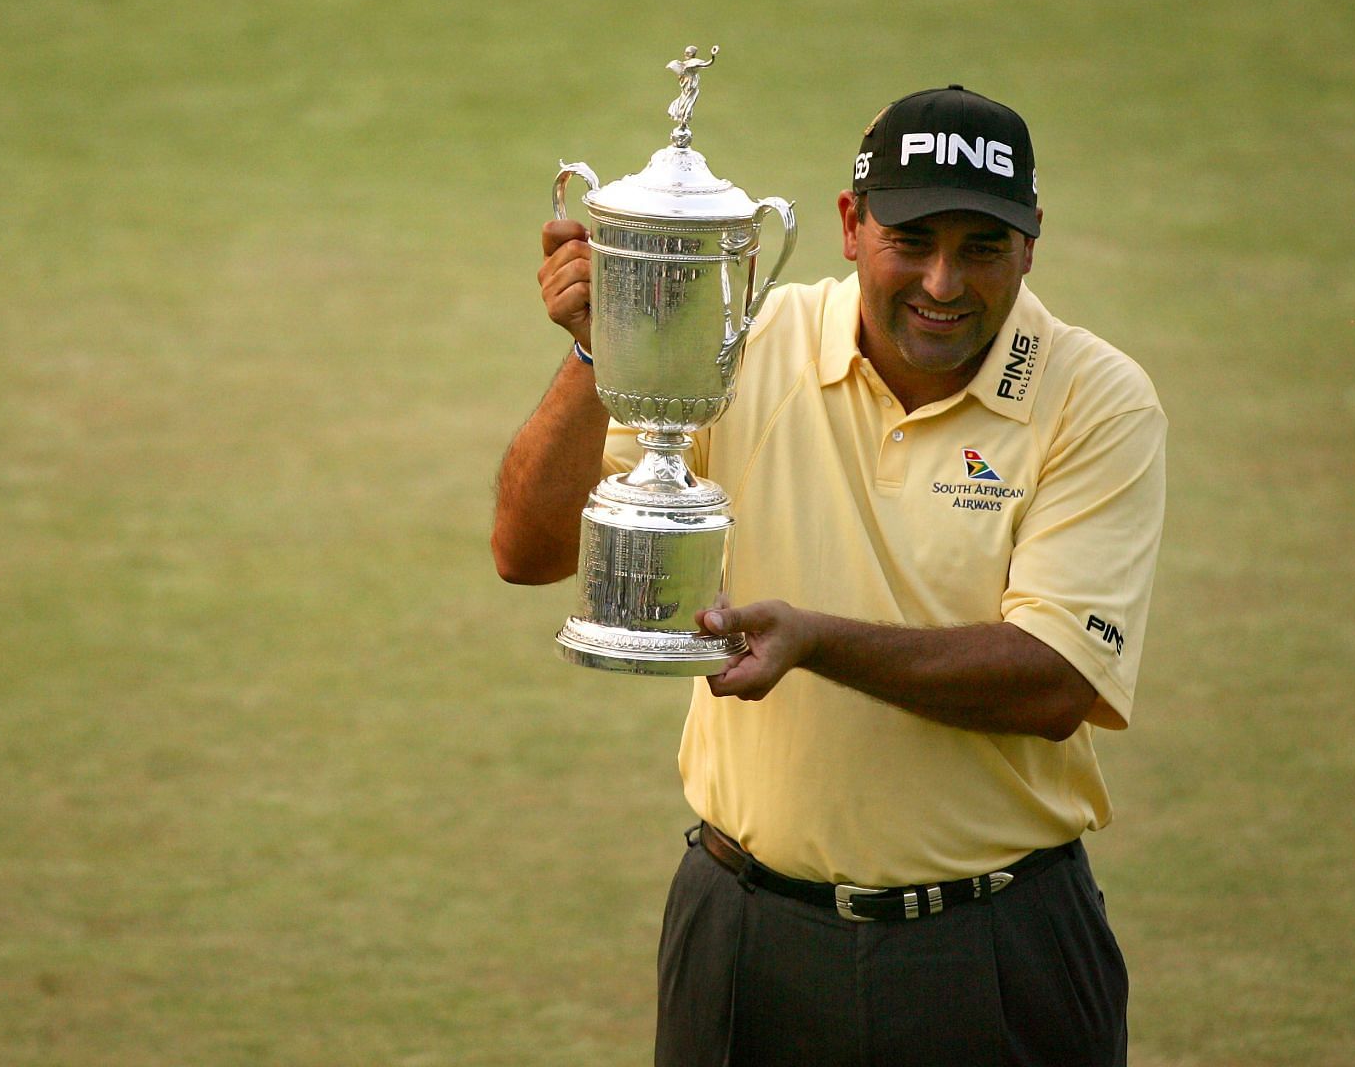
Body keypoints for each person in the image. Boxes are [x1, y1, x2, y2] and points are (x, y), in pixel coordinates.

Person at [491, 85, 1166, 1066]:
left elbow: (1054, 680)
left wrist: (817, 640)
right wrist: (603, 347)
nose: (944, 281)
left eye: (982, 245)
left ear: (1031, 245)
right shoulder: (742, 341)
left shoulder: (1095, 398)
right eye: (913, 238)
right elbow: (530, 548)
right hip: (744, 932)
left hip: (992, 949)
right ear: (852, 227)